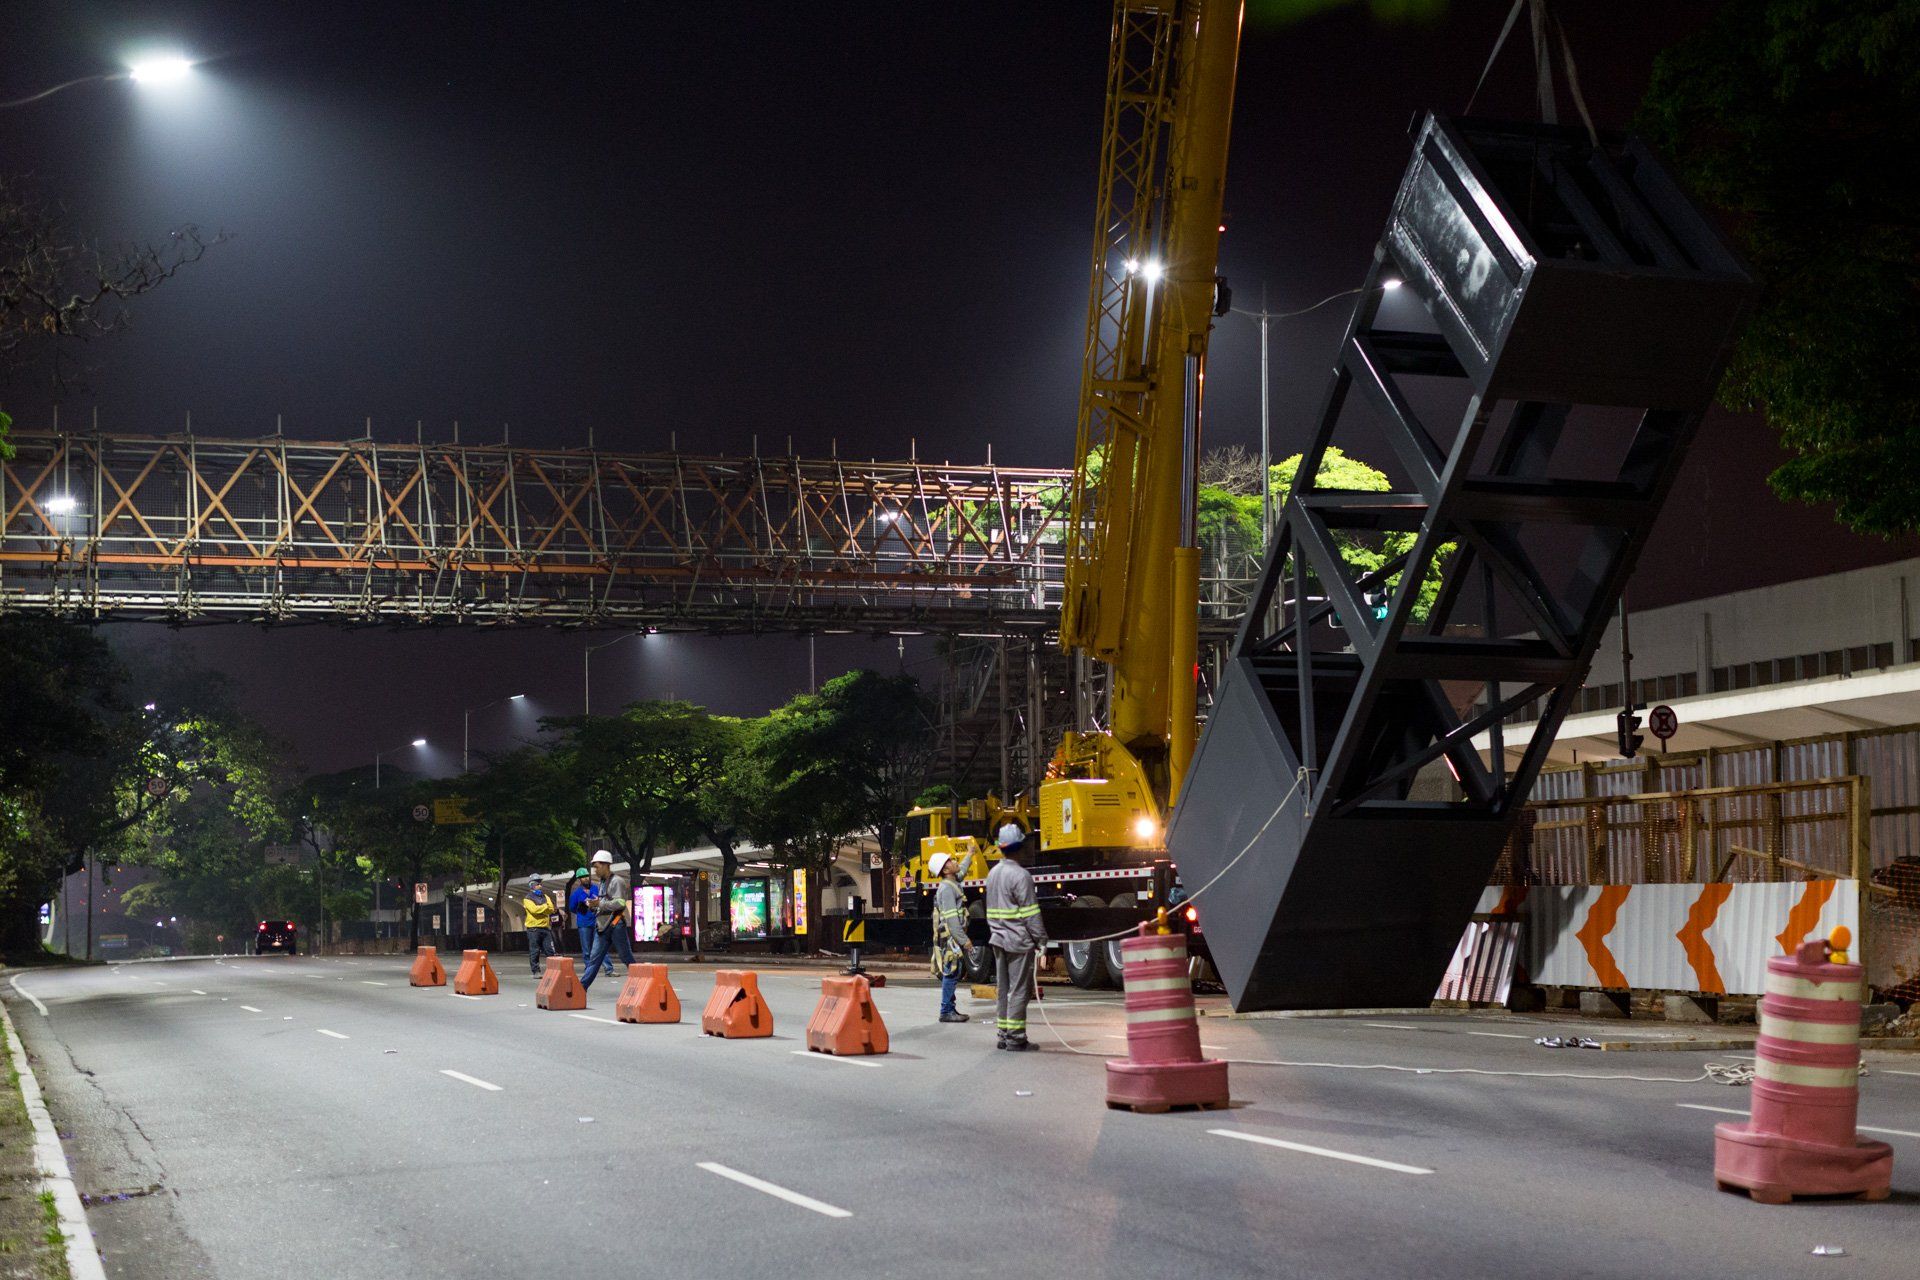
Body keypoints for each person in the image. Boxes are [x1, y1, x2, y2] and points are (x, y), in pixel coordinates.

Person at [985, 821, 1047, 1051]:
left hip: (998, 939)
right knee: (1020, 990)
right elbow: (1031, 914)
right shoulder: (1021, 876)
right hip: (1018, 941)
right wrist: (1041, 940)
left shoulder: (993, 874)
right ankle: (1016, 1038)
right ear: (1019, 847)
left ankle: (1003, 1034)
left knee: (1003, 990)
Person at [928, 851, 977, 1024]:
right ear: (946, 869)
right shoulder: (947, 889)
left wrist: (970, 854)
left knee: (953, 971)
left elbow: (961, 870)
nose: (954, 861)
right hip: (950, 937)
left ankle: (949, 1008)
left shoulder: (952, 881)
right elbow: (952, 920)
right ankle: (946, 1011)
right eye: (950, 860)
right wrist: (964, 940)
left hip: (952, 936)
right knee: (951, 972)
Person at [580, 850, 634, 990]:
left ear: (605, 865)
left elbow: (620, 903)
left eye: (597, 867)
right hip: (602, 926)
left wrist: (599, 904)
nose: (595, 870)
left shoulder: (617, 881)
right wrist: (594, 905)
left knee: (626, 957)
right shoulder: (602, 883)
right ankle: (580, 989)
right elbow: (605, 902)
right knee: (594, 960)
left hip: (616, 924)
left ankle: (643, 983)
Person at [522, 875, 560, 977]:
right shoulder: (527, 898)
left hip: (545, 928)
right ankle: (536, 971)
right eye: (538, 884)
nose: (540, 886)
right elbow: (534, 910)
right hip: (533, 929)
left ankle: (553, 971)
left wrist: (541, 909)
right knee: (535, 951)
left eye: (540, 884)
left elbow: (551, 909)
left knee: (550, 950)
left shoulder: (545, 896)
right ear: (532, 885)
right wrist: (545, 907)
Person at [568, 871, 599, 960]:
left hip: (597, 922)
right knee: (586, 950)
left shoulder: (596, 888)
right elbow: (572, 908)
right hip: (584, 923)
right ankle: (589, 968)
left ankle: (608, 967)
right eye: (583, 877)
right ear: (579, 879)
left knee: (600, 948)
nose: (585, 878)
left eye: (586, 876)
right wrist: (582, 911)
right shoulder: (576, 893)